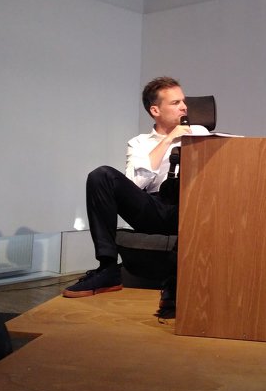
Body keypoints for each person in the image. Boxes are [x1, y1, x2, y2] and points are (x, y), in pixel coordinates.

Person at [63, 76, 209, 310]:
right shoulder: (139, 143)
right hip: (153, 208)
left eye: (183, 101)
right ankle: (107, 268)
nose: (184, 107)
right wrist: (168, 140)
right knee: (101, 175)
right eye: (175, 103)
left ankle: (182, 282)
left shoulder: (199, 132)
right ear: (155, 110)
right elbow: (135, 184)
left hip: (191, 207)